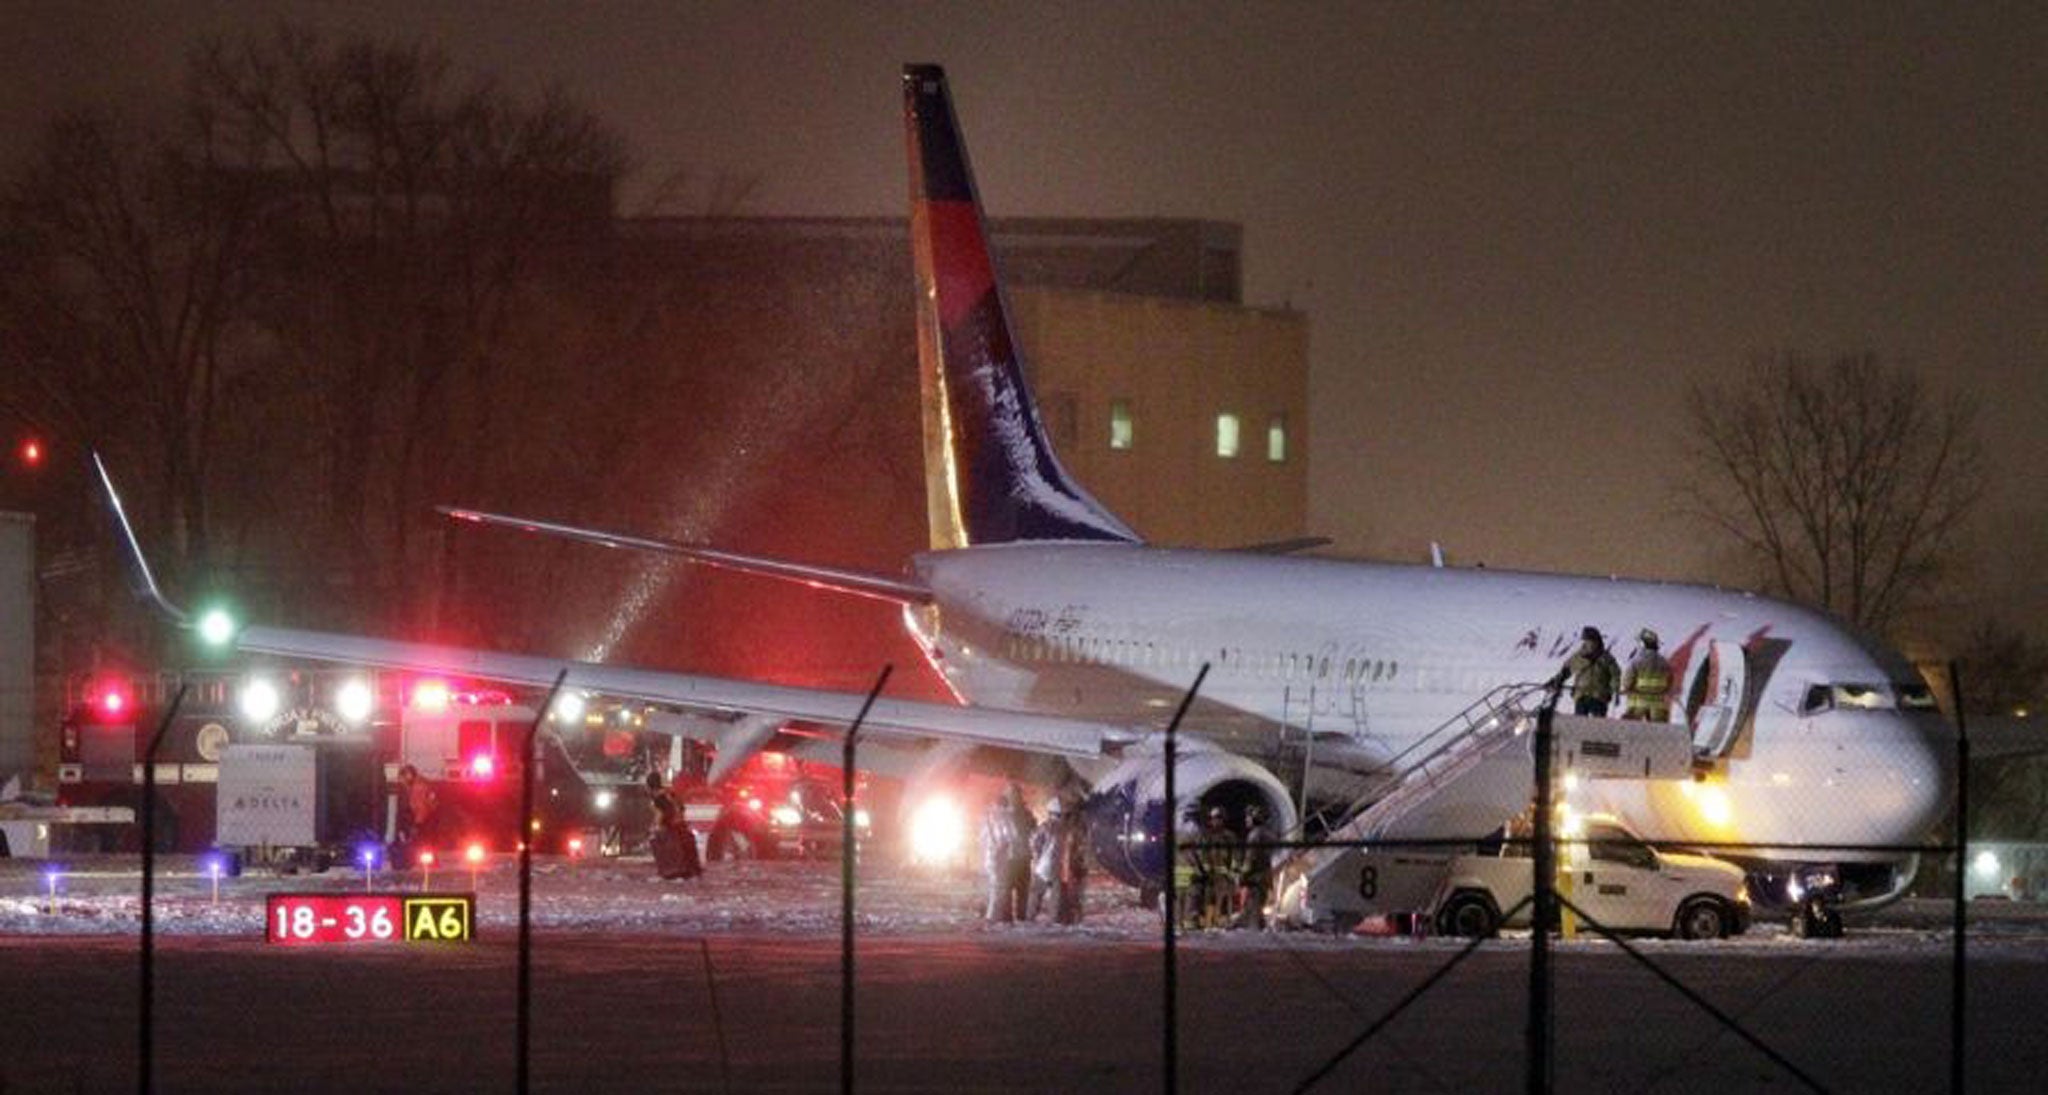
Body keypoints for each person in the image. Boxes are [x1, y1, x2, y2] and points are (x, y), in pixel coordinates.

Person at [980, 786, 1028, 922]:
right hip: (1001, 853)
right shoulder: (1005, 817)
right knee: (999, 886)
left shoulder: (987, 815)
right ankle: (994, 915)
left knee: (992, 885)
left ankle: (991, 914)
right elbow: (1013, 835)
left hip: (988, 854)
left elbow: (982, 837)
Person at [646, 770, 702, 880]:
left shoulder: (658, 798)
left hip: (671, 827)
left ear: (649, 786)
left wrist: (656, 827)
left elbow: (661, 813)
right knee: (686, 850)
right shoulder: (670, 793)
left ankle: (674, 871)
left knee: (671, 850)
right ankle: (691, 870)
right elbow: (681, 807)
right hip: (681, 825)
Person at [1563, 626, 1621, 716]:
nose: (1589, 643)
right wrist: (1556, 681)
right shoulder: (1578, 656)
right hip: (1581, 696)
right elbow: (1566, 671)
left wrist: (1615, 690)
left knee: (1597, 726)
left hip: (1599, 698)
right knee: (1581, 724)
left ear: (1597, 641)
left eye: (1591, 640)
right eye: (1587, 640)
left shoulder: (1606, 658)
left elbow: (1615, 675)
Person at [1621, 628, 1675, 721]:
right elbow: (1670, 681)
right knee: (1659, 731)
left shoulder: (1635, 660)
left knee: (1630, 730)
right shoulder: (1664, 662)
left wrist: (1626, 689)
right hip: (1658, 704)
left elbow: (1627, 682)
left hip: (1638, 703)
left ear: (1642, 643)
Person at [1236, 803, 1274, 930]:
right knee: (1256, 907)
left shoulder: (1254, 835)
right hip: (1265, 877)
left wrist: (1242, 876)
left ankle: (1254, 933)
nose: (1246, 820)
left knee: (1253, 908)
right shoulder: (1268, 834)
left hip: (1255, 879)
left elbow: (1250, 859)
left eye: (1248, 818)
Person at [393, 764, 438, 854]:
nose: (401, 782)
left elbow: (421, 807)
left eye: (402, 778)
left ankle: (425, 856)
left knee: (423, 839)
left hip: (425, 818)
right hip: (427, 816)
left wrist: (417, 824)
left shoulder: (418, 787)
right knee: (426, 839)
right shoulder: (418, 784)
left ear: (409, 775)